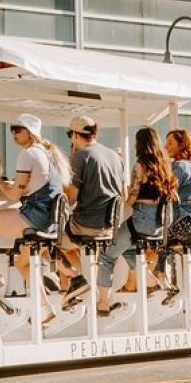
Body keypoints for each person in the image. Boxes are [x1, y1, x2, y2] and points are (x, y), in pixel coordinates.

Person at [0, 113, 71, 324]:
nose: (13, 134)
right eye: (12, 129)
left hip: (33, 218)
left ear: (30, 132)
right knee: (22, 264)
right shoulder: (49, 154)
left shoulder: (28, 155)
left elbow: (14, 195)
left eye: (18, 130)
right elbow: (30, 187)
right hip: (49, 220)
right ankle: (45, 308)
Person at [96, 128, 178, 314]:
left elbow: (131, 198)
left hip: (141, 221)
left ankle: (103, 303)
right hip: (159, 225)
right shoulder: (165, 166)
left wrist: (122, 195)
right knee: (128, 249)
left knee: (107, 255)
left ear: (140, 144)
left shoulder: (140, 166)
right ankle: (152, 282)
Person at [60, 115, 125, 307]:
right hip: (110, 226)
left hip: (86, 226)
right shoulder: (115, 156)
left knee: (47, 237)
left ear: (74, 134)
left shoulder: (81, 156)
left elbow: (71, 196)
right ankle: (85, 284)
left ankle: (79, 277)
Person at [161, 129, 191, 303]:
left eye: (170, 143)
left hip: (183, 223)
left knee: (153, 236)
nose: (166, 147)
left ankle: (161, 279)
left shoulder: (179, 166)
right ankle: (167, 278)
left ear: (182, 144)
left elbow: (167, 191)